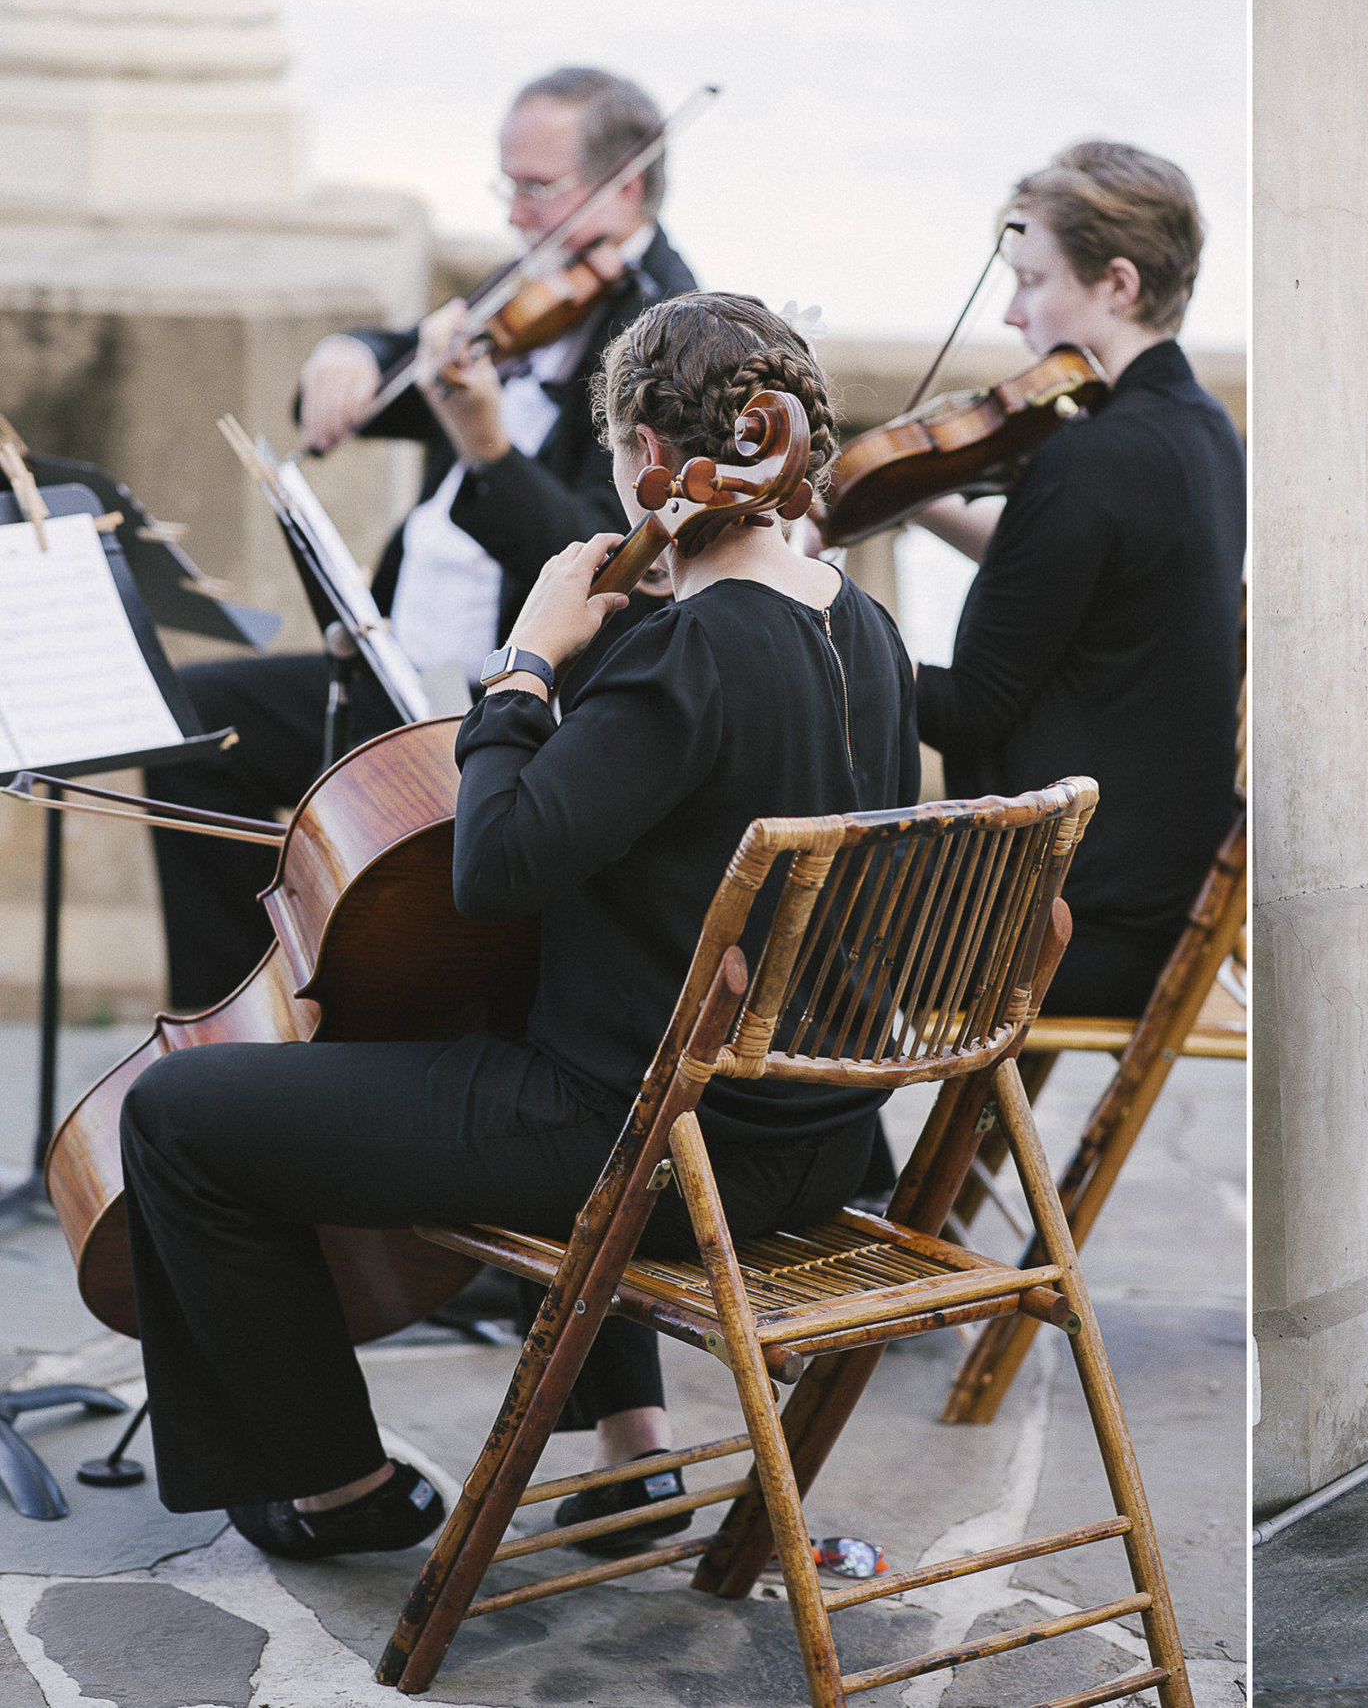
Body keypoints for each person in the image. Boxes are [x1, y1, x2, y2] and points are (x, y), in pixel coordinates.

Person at [115, 292, 920, 1559]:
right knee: (532, 1004)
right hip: (815, 1143)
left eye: (613, 455)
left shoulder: (689, 654)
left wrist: (527, 665)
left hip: (651, 1153)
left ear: (654, 460)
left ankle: (330, 1486)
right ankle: (632, 1448)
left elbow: (495, 868)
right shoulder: (863, 628)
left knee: (176, 1118)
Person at [146, 65, 698, 1015]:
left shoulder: (666, 335)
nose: (517, 217)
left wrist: (487, 447)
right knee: (194, 730)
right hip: (399, 666)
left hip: (511, 708)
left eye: (538, 189)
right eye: (507, 187)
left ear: (626, 189)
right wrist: (351, 353)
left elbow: (610, 562)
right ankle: (234, 1023)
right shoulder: (536, 286)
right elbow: (394, 367)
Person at [912, 141, 1244, 1022]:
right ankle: (937, 1166)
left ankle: (845, 1163)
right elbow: (1069, 577)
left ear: (1119, 285)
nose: (1014, 315)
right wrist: (913, 499)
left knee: (772, 926)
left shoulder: (1090, 460)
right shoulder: (1200, 432)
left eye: (1032, 281)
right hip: (1154, 912)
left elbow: (969, 710)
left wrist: (822, 633)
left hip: (1056, 928)